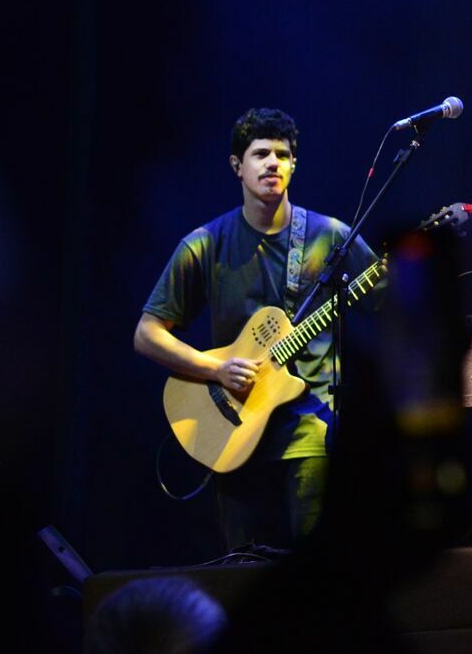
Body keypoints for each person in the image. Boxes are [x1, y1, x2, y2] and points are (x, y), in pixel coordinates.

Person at [134, 108, 376, 550]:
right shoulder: (206, 243)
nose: (272, 164)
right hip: (234, 434)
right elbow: (147, 334)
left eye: (282, 155)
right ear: (237, 166)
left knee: (317, 565)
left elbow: (392, 299)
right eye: (260, 154)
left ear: (294, 165)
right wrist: (215, 370)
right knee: (242, 571)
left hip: (310, 433)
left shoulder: (329, 237)